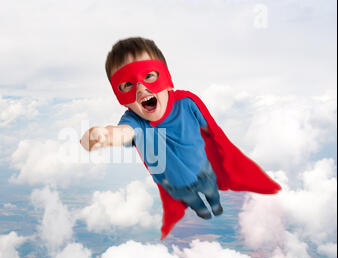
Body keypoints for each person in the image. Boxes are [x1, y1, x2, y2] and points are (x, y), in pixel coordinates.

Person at [80, 37, 281, 239]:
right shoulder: (134, 121)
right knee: (198, 205)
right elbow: (124, 132)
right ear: (120, 97)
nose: (141, 89)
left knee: (212, 196)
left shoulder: (186, 103)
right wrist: (104, 135)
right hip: (176, 187)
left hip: (204, 172)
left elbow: (210, 130)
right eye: (127, 84)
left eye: (149, 75)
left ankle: (215, 205)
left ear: (166, 78)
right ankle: (203, 211)